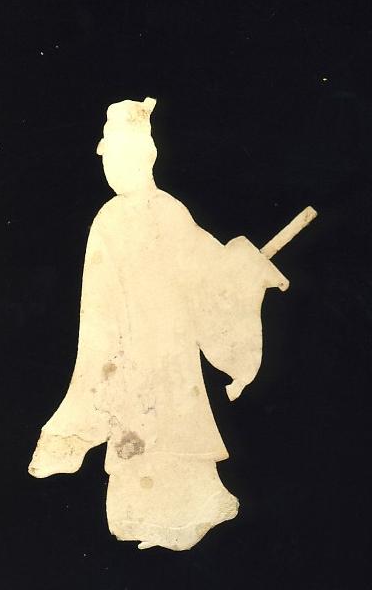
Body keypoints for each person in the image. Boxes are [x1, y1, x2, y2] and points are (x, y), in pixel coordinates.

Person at [29, 97, 288, 550]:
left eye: (120, 157)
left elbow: (209, 271)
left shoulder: (170, 211)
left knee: (176, 422)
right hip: (129, 344)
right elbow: (98, 301)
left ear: (145, 157)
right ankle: (146, 520)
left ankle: (187, 515)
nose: (113, 169)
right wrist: (104, 360)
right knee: (135, 427)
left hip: (171, 345)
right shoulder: (108, 219)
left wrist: (245, 271)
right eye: (108, 160)